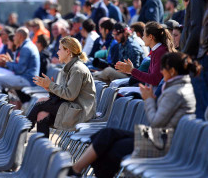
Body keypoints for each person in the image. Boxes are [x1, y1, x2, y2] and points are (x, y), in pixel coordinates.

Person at [69, 52, 199, 178]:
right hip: (161, 136)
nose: (161, 72)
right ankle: (76, 169)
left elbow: (156, 122)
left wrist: (148, 100)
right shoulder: (179, 87)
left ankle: (76, 170)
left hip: (164, 141)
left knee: (113, 148)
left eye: (163, 68)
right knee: (107, 134)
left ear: (172, 71)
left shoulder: (175, 91)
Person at [27, 36, 96, 138]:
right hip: (71, 106)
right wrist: (50, 88)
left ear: (68, 51)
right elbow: (65, 93)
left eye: (59, 49)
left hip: (79, 111)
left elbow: (70, 95)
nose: (57, 52)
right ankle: (43, 148)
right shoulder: (69, 67)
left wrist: (51, 85)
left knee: (40, 103)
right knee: (42, 114)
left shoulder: (77, 69)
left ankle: (22, 131)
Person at [180, 0, 208, 119]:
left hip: (198, 58)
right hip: (200, 55)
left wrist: (184, 56)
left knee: (201, 107)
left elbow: (196, 29)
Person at [116, 21, 175, 87]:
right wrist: (131, 71)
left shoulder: (161, 51)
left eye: (144, 35)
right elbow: (150, 76)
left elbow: (154, 80)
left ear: (150, 37)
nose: (142, 37)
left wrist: (132, 70)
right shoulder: (156, 50)